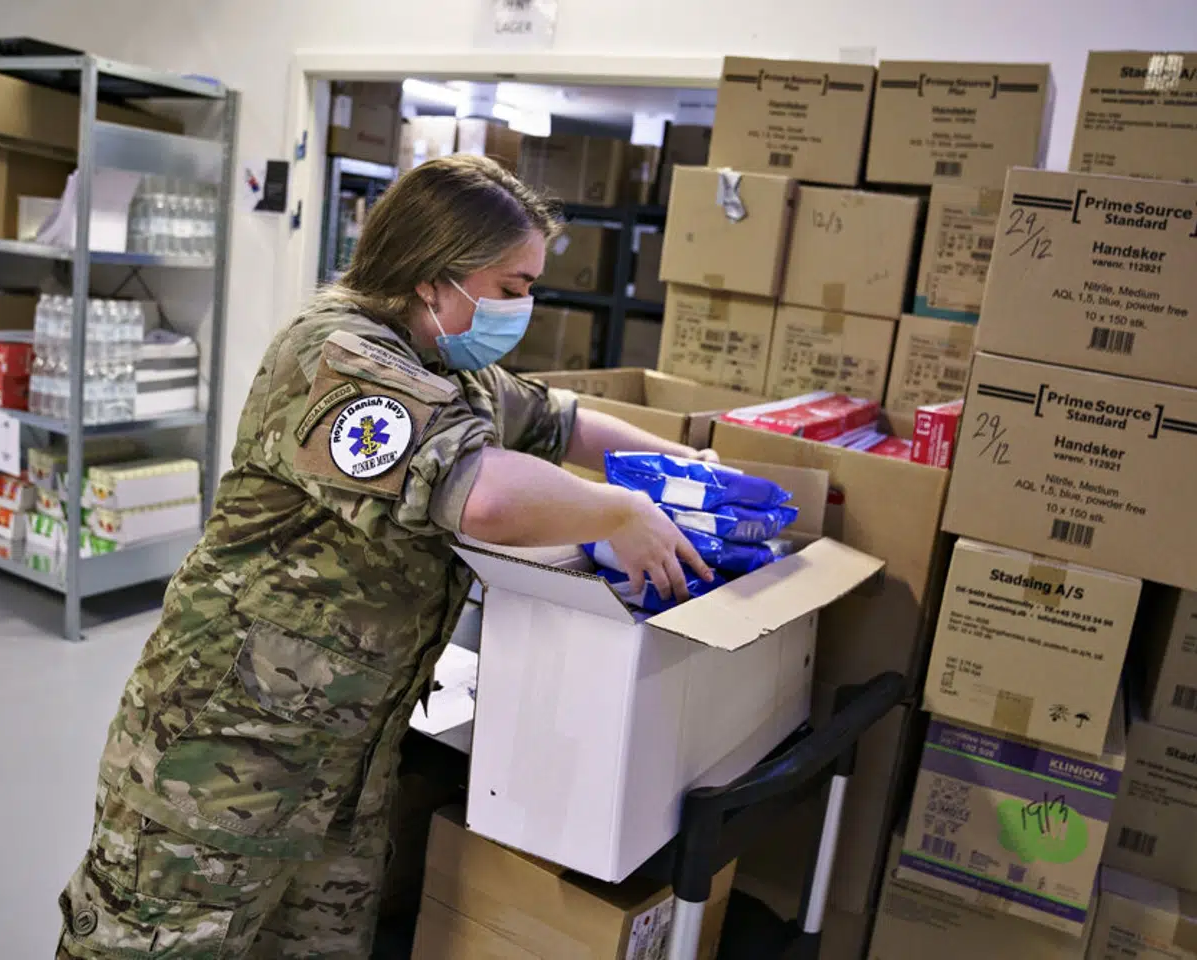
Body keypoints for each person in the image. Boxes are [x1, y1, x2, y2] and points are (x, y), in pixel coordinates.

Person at [56, 154, 719, 959]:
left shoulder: (448, 365)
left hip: (344, 773)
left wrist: (699, 471)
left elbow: (559, 420)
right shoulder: (336, 358)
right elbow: (481, 491)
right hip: (219, 766)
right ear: (435, 277)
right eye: (513, 287)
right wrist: (621, 511)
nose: (528, 308)